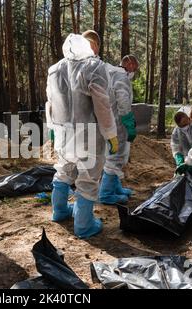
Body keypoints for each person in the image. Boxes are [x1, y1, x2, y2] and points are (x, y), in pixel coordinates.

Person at [46, 31, 118, 239]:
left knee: (64, 171)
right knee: (88, 177)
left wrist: (52, 129)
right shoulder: (95, 66)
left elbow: (50, 102)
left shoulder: (55, 69)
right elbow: (102, 104)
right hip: (88, 135)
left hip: (63, 133)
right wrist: (111, 133)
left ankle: (59, 212)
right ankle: (84, 225)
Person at [99, 55, 139, 205]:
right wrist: (128, 121)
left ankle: (115, 188)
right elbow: (122, 99)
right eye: (134, 67)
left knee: (114, 156)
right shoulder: (121, 76)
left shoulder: (110, 74)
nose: (134, 71)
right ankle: (106, 194)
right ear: (128, 63)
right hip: (117, 123)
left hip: (109, 122)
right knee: (115, 158)